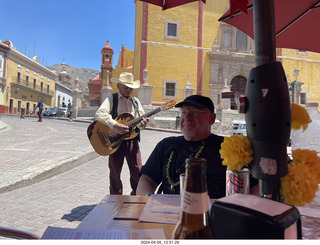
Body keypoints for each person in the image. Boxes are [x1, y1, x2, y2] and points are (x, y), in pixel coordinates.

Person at [137, 95, 227, 199]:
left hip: (212, 212)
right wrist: (148, 201)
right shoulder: (166, 145)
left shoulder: (227, 148)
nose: (187, 117)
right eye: (183, 112)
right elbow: (146, 180)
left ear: (212, 118)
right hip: (167, 211)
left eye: (195, 112)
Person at [95, 72, 149, 195]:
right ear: (118, 86)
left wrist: (143, 124)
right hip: (115, 142)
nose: (128, 90)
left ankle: (136, 196)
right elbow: (99, 114)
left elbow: (140, 123)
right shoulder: (112, 99)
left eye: (130, 88)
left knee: (137, 170)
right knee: (115, 172)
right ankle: (115, 199)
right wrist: (115, 125)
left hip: (132, 141)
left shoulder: (136, 102)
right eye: (125, 87)